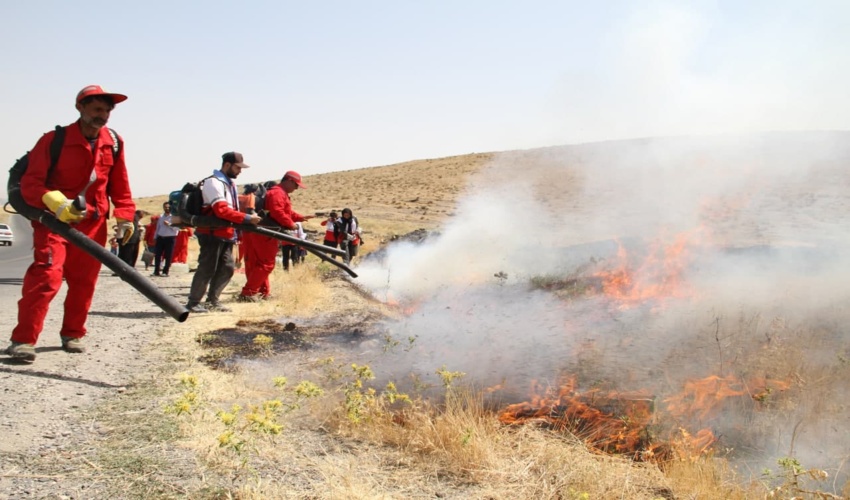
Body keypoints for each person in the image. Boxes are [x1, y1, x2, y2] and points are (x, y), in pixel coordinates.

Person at [5, 85, 135, 362]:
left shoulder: (113, 142)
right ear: (80, 108)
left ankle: (73, 334)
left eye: (108, 110)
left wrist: (125, 217)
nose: (104, 115)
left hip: (93, 225)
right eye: (98, 109)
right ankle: (23, 340)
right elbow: (30, 183)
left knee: (84, 281)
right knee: (46, 277)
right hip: (54, 224)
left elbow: (120, 185)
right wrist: (55, 202)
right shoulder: (53, 140)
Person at [186, 152, 261, 313]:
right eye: (237, 167)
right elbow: (221, 210)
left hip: (226, 233)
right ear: (227, 165)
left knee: (227, 267)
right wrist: (247, 218)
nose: (240, 171)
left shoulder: (228, 184)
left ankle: (213, 300)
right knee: (207, 267)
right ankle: (193, 302)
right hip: (212, 233)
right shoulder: (214, 183)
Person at [238, 171, 314, 302]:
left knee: (257, 263)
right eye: (296, 185)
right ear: (288, 181)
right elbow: (277, 211)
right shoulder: (278, 193)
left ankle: (262, 292)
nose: (296, 189)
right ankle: (248, 293)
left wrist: (299, 218)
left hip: (257, 230)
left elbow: (286, 211)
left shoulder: (277, 193)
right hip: (265, 232)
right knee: (266, 264)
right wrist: (291, 224)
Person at [152, 202, 180, 277]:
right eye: (165, 207)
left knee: (168, 255)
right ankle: (156, 271)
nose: (167, 208)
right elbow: (158, 228)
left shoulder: (174, 217)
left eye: (168, 207)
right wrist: (155, 237)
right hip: (161, 237)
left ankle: (165, 271)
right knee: (158, 255)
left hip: (170, 238)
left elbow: (177, 229)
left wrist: (169, 225)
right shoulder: (161, 217)